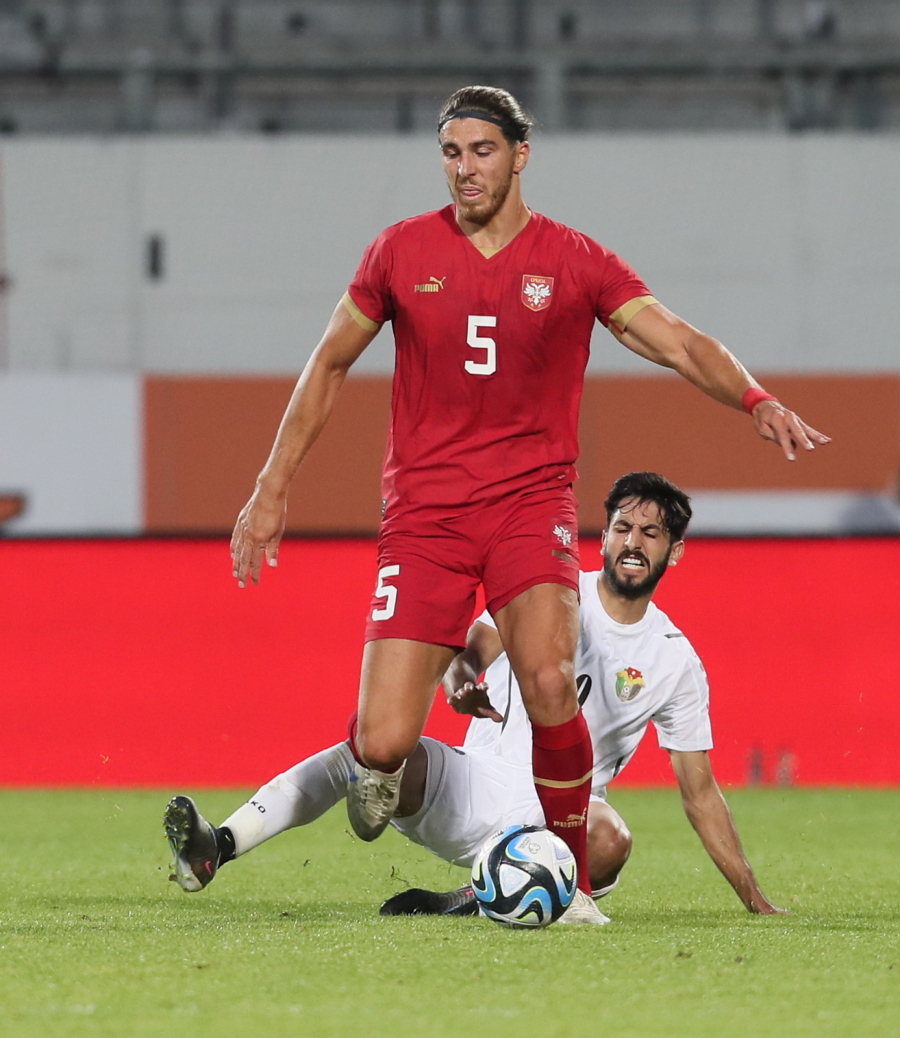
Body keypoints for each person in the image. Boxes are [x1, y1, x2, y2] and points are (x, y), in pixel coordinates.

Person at [227, 84, 826, 923]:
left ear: (520, 156)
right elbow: (328, 363)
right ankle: (375, 771)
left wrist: (753, 397)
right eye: (451, 153)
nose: (464, 169)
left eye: (481, 151)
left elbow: (678, 341)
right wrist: (271, 486)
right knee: (383, 740)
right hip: (427, 518)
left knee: (548, 680)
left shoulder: (573, 261)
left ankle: (569, 883)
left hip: (527, 508)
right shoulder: (399, 252)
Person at [167, 472, 783, 920]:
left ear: (675, 550)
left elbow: (699, 792)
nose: (633, 542)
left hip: (560, 817)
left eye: (651, 533)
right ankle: (217, 845)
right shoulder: (548, 593)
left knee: (612, 839)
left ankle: (474, 896)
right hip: (472, 782)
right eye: (623, 527)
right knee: (371, 752)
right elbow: (471, 650)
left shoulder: (675, 660)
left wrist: (753, 897)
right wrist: (461, 680)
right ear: (603, 536)